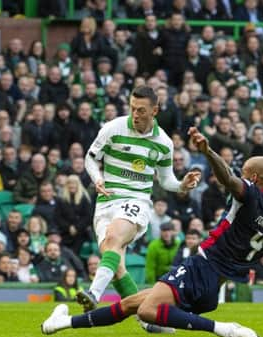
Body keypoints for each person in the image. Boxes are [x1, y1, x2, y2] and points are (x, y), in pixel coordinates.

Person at [42, 128, 263, 337]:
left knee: (147, 311)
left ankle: (226, 330)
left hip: (203, 266)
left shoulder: (250, 193)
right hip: (217, 285)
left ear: (255, 178)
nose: (241, 176)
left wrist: (207, 149)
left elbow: (228, 178)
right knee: (132, 303)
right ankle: (62, 323)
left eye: (246, 172)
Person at [76, 85, 200, 321]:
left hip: (136, 201)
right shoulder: (113, 128)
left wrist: (183, 185)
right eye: (133, 108)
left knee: (114, 238)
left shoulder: (163, 142)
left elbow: (166, 181)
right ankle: (148, 320)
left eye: (141, 110)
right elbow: (91, 159)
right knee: (115, 266)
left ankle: (93, 293)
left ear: (155, 110)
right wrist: (98, 178)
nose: (135, 114)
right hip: (106, 201)